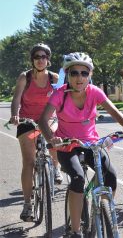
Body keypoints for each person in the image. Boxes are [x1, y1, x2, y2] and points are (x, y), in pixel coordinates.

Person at [38, 52, 123, 238]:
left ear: (90, 75)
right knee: (77, 179)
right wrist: (52, 138)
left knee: (111, 177)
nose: (79, 77)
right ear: (67, 75)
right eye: (74, 73)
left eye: (84, 73)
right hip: (67, 145)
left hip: (92, 144)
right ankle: (75, 230)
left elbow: (115, 112)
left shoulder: (95, 92)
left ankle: (102, 210)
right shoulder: (60, 94)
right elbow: (43, 121)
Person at [9, 43, 63, 222]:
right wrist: (15, 115)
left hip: (48, 120)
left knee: (54, 137)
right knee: (29, 161)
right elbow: (16, 99)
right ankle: (27, 204)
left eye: (44, 57)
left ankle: (56, 167)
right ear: (32, 60)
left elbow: (63, 97)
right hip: (28, 122)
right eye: (37, 57)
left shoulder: (55, 78)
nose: (40, 60)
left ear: (48, 59)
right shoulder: (25, 77)